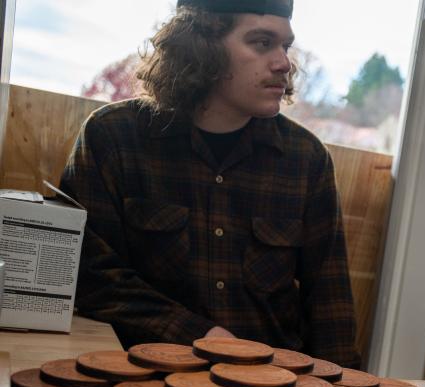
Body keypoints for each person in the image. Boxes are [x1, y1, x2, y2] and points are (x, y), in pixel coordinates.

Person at [60, 0, 360, 367]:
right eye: (262, 43)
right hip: (140, 379)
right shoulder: (114, 137)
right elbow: (90, 276)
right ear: (202, 46)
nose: (283, 62)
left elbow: (331, 306)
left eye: (285, 46)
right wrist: (200, 336)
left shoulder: (306, 158)